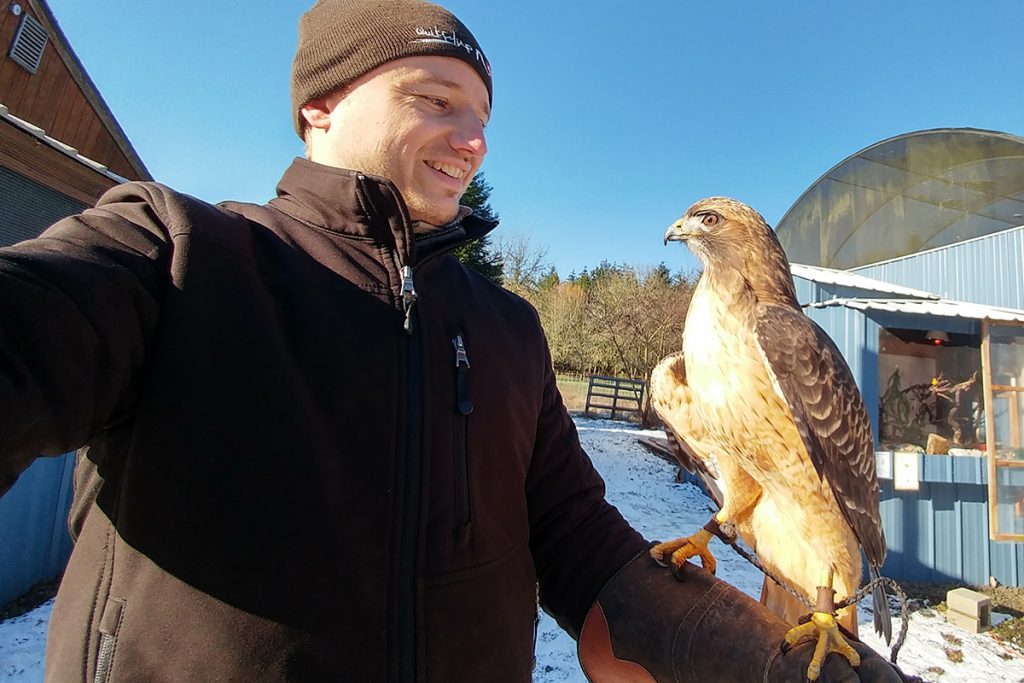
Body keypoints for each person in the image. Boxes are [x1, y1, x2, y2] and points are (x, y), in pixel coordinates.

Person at [0, 1, 904, 681]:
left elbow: (576, 541)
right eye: (434, 100)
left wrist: (729, 653)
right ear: (319, 108)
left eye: (481, 118)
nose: (469, 141)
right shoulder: (176, 252)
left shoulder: (507, 330)